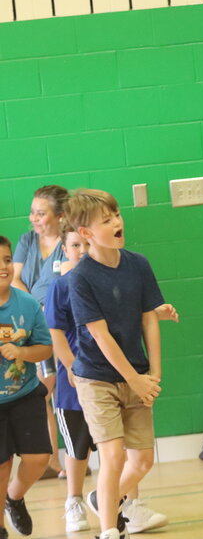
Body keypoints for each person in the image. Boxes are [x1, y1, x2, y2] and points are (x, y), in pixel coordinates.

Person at [45, 225, 172, 534]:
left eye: (117, 213)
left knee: (136, 458)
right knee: (88, 451)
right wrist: (72, 367)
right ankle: (88, 512)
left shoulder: (134, 265)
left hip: (130, 372)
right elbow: (64, 334)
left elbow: (138, 315)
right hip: (89, 377)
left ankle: (113, 501)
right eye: (72, 245)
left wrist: (152, 371)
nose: (78, 250)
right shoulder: (70, 282)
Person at [12, 184, 69, 478]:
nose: (34, 218)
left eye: (41, 213)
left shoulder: (70, 243)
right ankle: (51, 461)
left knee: (51, 390)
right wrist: (35, 309)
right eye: (33, 212)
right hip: (31, 325)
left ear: (60, 216)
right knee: (41, 393)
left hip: (60, 326)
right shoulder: (26, 241)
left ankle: (65, 458)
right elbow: (15, 279)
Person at [0, 235, 53, 539]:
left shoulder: (28, 304)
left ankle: (15, 497)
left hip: (24, 394)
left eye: (7, 260)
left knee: (37, 459)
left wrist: (20, 352)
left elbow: (44, 349)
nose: (3, 267)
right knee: (2, 464)